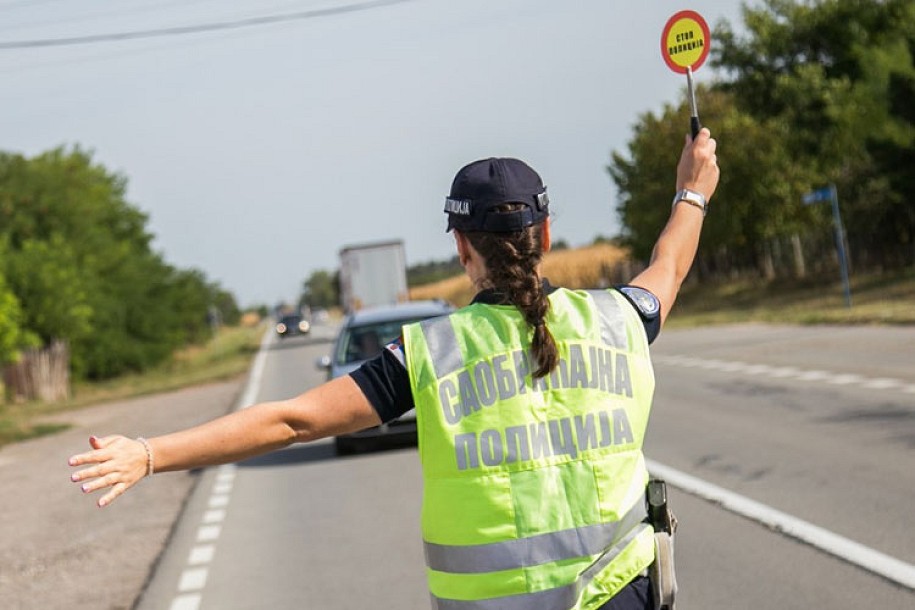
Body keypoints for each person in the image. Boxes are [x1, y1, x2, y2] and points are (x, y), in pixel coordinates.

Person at [69, 129, 718, 610]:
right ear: (546, 237)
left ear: (462, 248)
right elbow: (669, 264)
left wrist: (149, 453)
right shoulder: (618, 318)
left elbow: (292, 421)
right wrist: (691, 187)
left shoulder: (429, 354)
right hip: (625, 596)